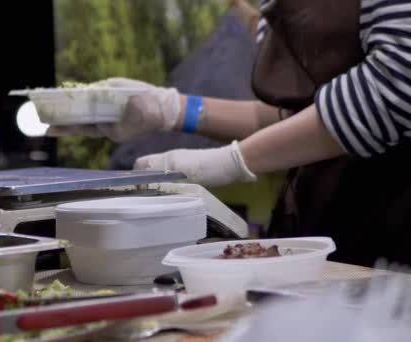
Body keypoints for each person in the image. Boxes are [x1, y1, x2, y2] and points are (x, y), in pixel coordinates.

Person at [48, 0, 411, 268]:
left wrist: (233, 161)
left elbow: (395, 89)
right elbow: (303, 116)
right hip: (331, 223)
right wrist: (168, 109)